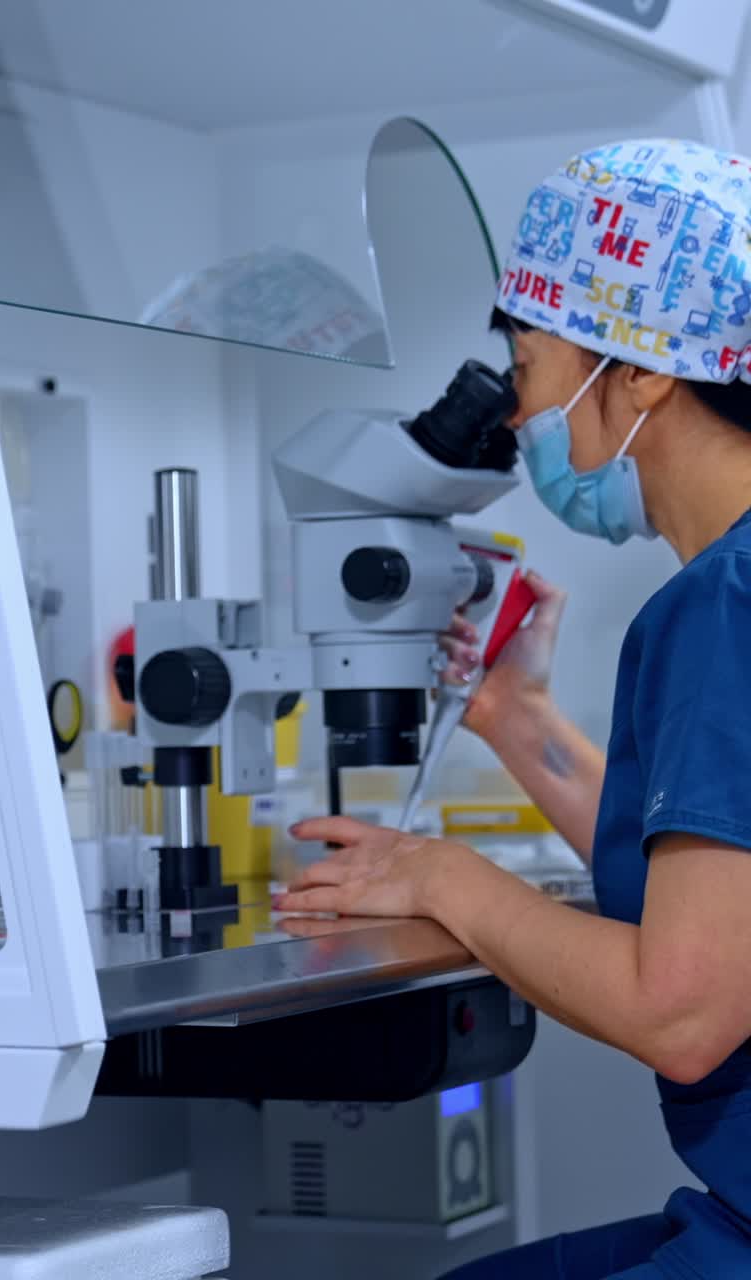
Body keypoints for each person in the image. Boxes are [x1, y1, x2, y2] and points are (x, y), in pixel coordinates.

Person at [275, 138, 751, 1279]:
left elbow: (683, 1015)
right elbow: (717, 890)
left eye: (527, 364)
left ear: (641, 372)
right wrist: (514, 714)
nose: (522, 411)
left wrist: (443, 876)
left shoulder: (722, 605)